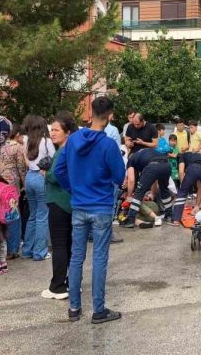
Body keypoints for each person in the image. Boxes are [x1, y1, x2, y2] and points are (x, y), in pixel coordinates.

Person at [54, 97, 126, 324]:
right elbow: (120, 177)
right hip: (101, 206)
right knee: (99, 257)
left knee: (76, 257)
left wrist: (73, 189)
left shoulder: (73, 139)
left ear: (90, 112)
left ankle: (74, 308)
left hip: (79, 206)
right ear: (110, 116)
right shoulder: (108, 145)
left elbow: (58, 171)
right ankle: (98, 309)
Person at [42, 112, 77, 301]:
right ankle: (72, 283)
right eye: (51, 130)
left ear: (67, 132)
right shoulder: (70, 150)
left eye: (56, 130)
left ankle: (57, 286)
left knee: (60, 245)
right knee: (69, 245)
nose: (52, 133)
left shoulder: (64, 151)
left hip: (59, 202)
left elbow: (55, 175)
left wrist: (45, 174)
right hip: (68, 202)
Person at [0, 117, 26, 259]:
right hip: (11, 188)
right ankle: (12, 249)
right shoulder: (16, 147)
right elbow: (21, 169)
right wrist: (24, 185)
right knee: (13, 217)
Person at [22, 115, 55, 261]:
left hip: (29, 177)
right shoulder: (46, 141)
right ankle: (40, 252)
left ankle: (27, 249)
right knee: (43, 216)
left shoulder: (27, 141)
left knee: (33, 215)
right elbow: (54, 158)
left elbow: (26, 160)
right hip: (41, 177)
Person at [122, 148, 172, 229]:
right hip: (166, 165)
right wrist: (153, 193)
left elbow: (131, 180)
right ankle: (170, 216)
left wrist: (129, 196)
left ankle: (130, 220)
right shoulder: (147, 152)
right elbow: (154, 178)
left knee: (139, 193)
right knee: (164, 190)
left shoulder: (131, 159)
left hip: (153, 166)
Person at [171, 152, 201, 226]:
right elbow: (200, 188)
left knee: (182, 192)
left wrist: (183, 185)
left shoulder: (182, 156)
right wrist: (197, 206)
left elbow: (181, 172)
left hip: (194, 168)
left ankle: (176, 219)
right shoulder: (198, 156)